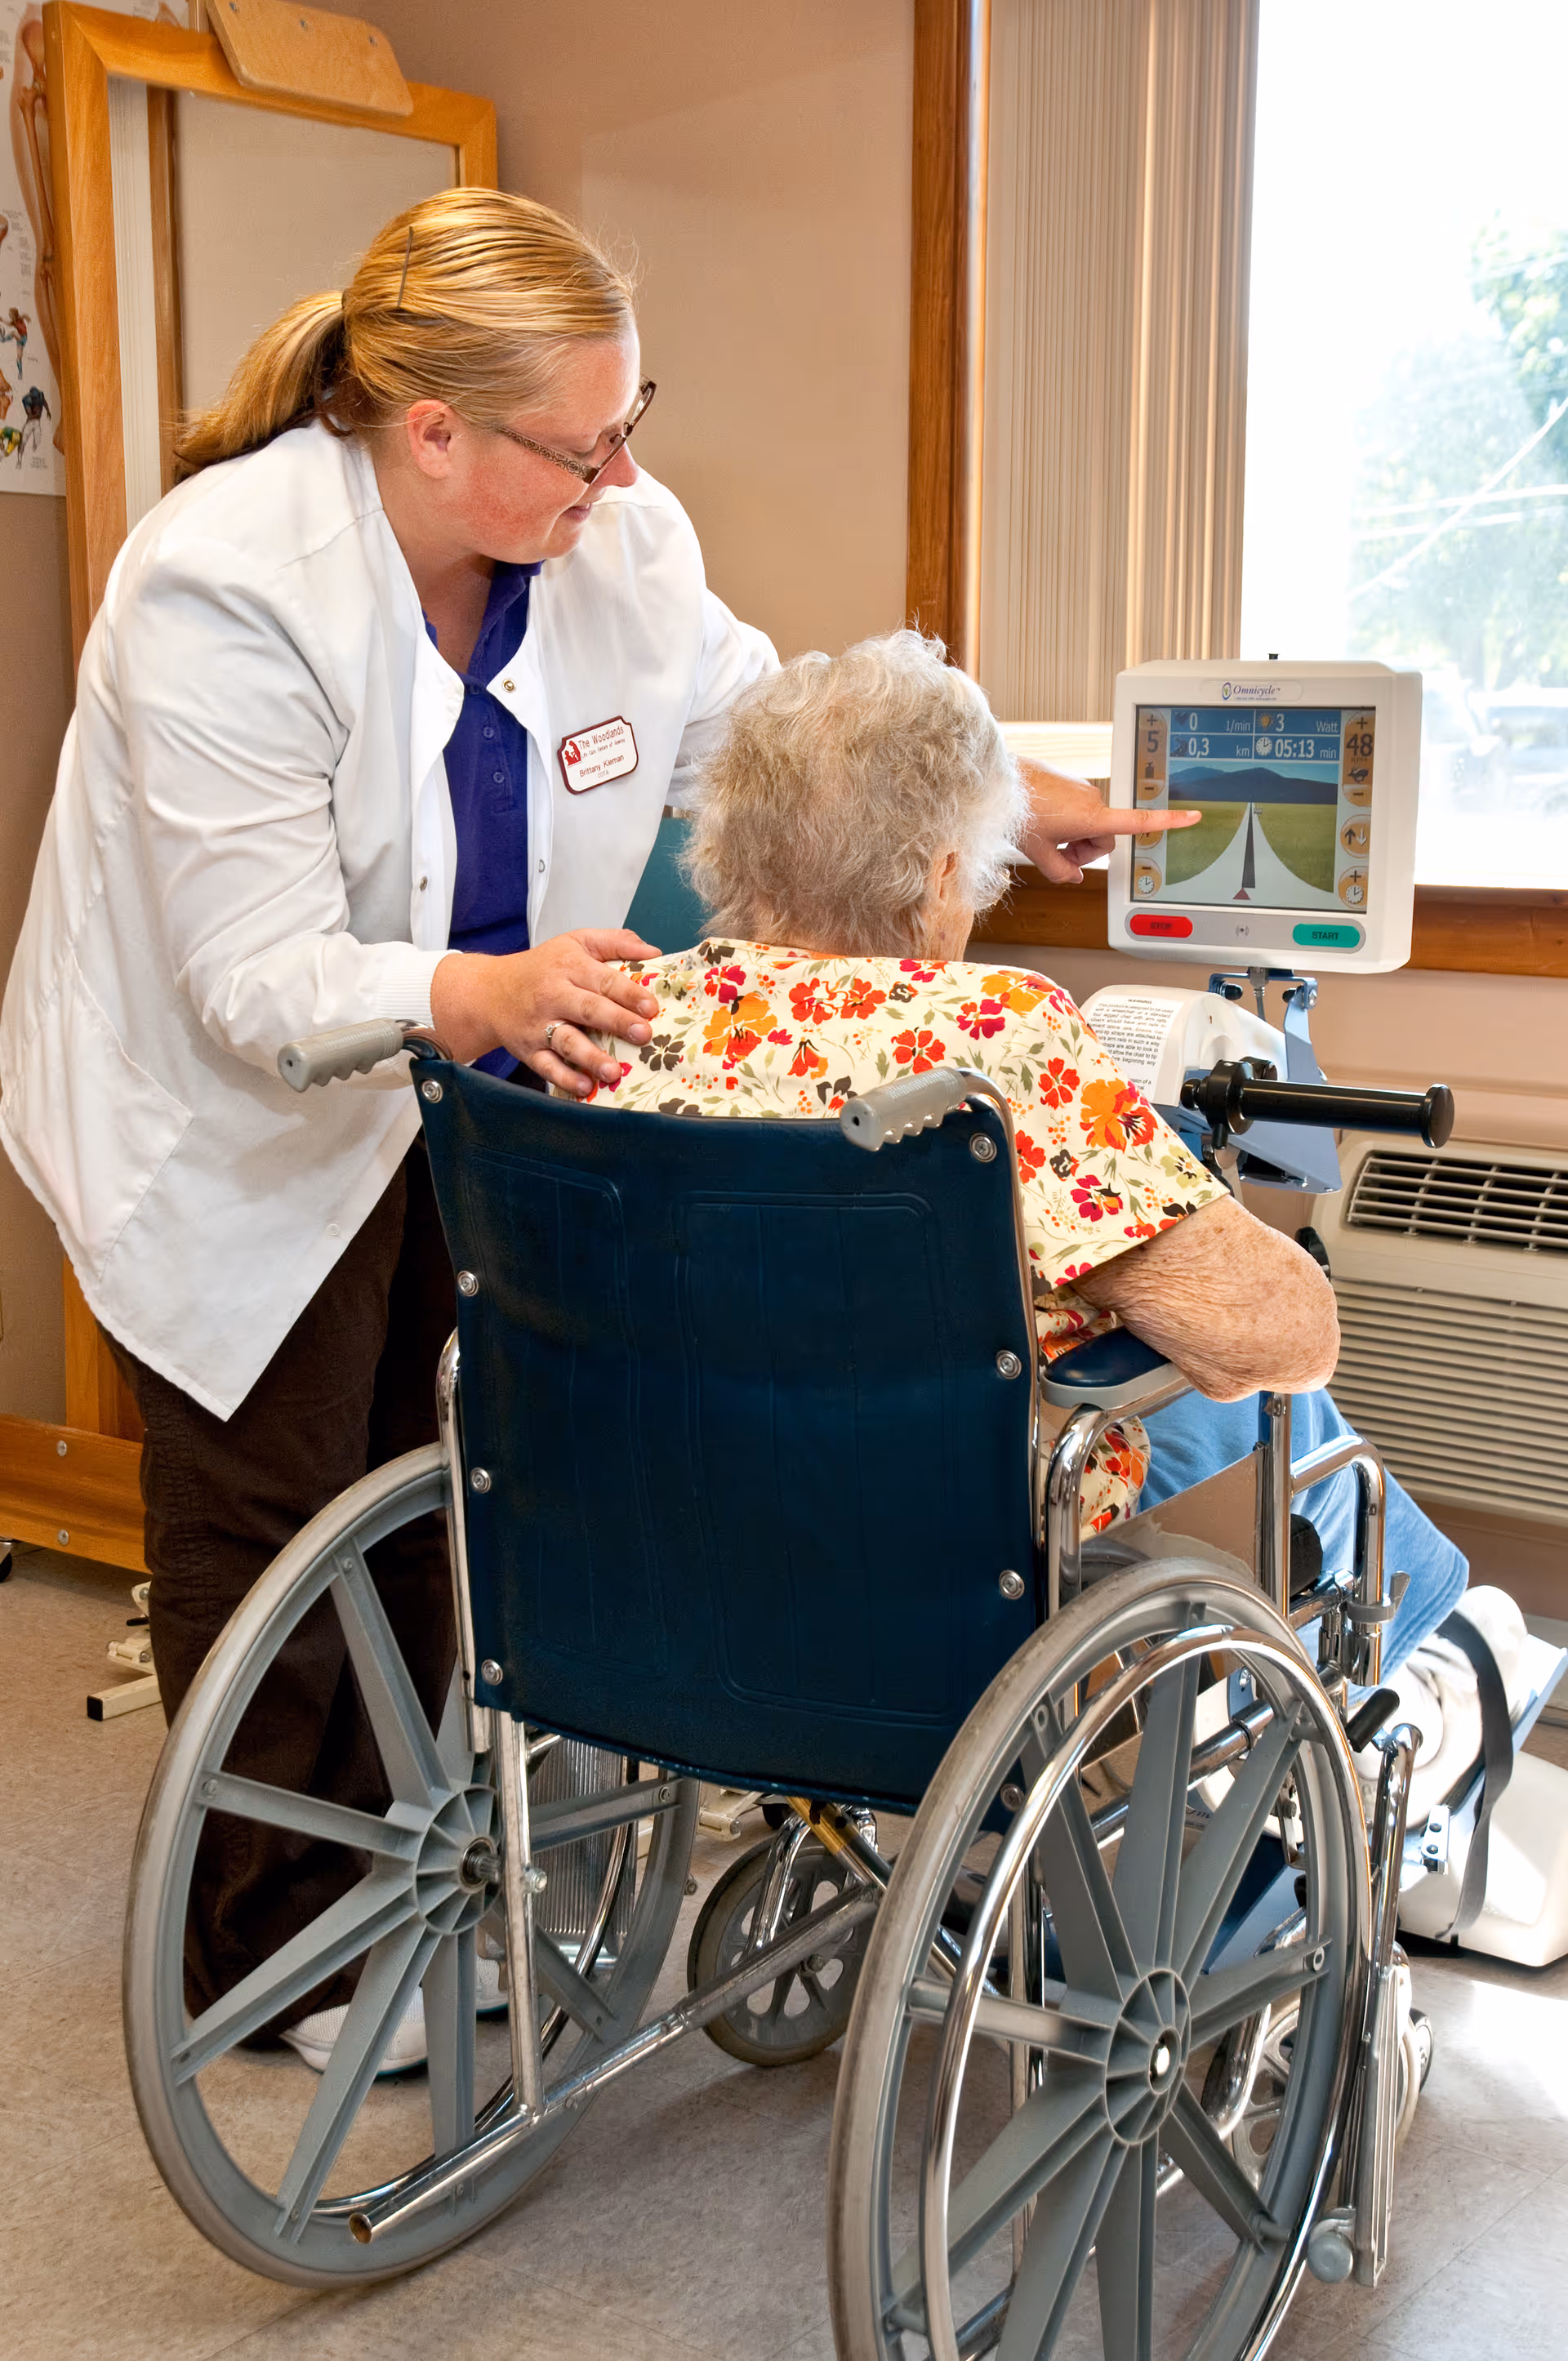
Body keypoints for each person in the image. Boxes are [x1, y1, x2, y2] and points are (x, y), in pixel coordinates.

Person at [0, 198, 1196, 2066]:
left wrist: (998, 801)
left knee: (425, 1471)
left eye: (634, 421)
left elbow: (760, 726)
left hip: (468, 1089)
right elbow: (253, 980)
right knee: (275, 1500)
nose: (624, 472)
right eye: (585, 442)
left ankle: (394, 1877)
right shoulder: (218, 588)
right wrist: (471, 997)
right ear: (434, 436)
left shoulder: (617, 543)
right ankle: (269, 1954)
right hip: (230, 1109)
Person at [581, 629, 1470, 1638]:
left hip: (681, 1497)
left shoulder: (626, 1010)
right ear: (940, 874)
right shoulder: (996, 1033)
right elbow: (1289, 1334)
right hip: (936, 1525)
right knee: (1272, 1402)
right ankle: (1436, 1647)